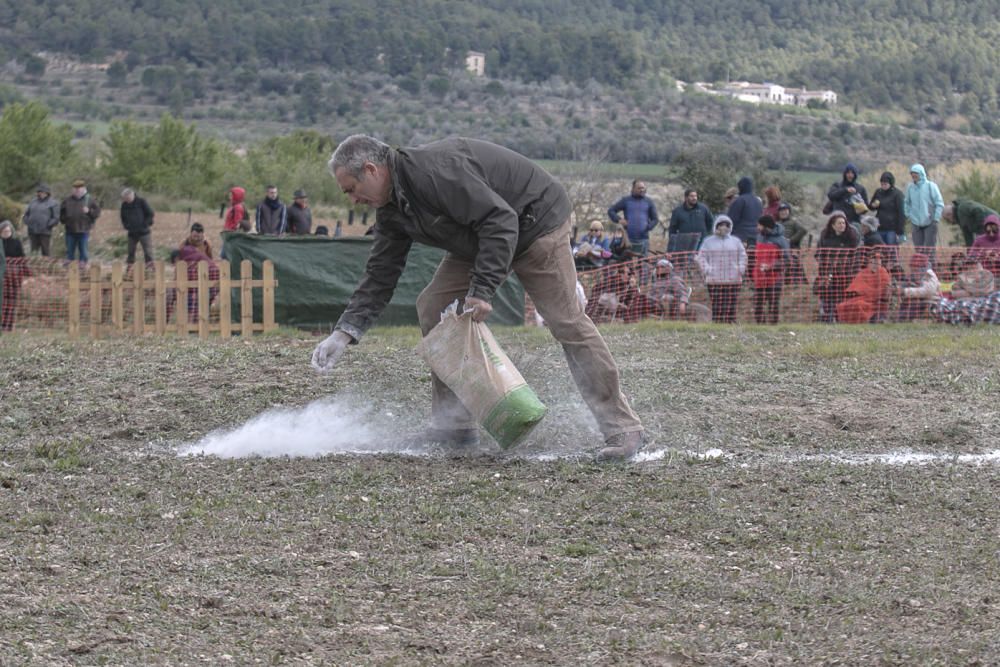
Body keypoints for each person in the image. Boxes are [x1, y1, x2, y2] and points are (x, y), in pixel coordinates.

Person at [311, 135, 645, 460]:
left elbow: (501, 219)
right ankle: (453, 425)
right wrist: (345, 332)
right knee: (434, 307)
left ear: (371, 170)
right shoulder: (391, 210)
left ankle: (622, 427)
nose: (352, 200)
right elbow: (380, 274)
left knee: (566, 321)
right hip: (482, 236)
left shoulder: (435, 173)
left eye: (351, 190)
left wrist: (482, 289)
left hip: (535, 223)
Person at [696, 215, 747, 323]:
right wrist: (707, 270)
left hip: (733, 278)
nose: (723, 228)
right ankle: (717, 322)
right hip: (714, 279)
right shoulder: (708, 241)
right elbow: (701, 257)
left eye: (726, 225)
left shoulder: (736, 241)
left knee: (731, 302)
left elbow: (743, 256)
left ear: (730, 227)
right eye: (721, 225)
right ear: (716, 226)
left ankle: (731, 321)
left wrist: (740, 269)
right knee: (717, 302)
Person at [814, 211, 859, 322]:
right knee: (826, 295)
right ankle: (826, 318)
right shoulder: (825, 235)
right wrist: (823, 264)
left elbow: (855, 255)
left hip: (845, 273)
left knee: (841, 296)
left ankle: (840, 318)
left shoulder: (851, 235)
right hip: (827, 271)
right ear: (833, 225)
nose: (842, 225)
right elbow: (819, 253)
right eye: (839, 223)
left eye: (843, 223)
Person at [642, 258, 711, 322]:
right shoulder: (655, 283)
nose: (659, 269)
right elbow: (649, 295)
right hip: (654, 303)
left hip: (668, 304)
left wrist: (683, 303)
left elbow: (683, 293)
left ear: (669, 269)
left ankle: (667, 322)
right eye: (657, 267)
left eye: (662, 267)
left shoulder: (675, 280)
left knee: (666, 298)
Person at [751, 215, 791, 324]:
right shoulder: (759, 237)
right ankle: (760, 326)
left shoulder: (781, 241)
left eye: (759, 225)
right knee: (758, 304)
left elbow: (787, 260)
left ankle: (773, 327)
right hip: (759, 278)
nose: (757, 227)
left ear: (766, 226)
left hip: (775, 279)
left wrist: (772, 266)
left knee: (773, 304)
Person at [836, 248, 892, 324]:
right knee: (844, 305)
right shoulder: (864, 272)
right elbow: (856, 287)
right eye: (873, 261)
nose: (875, 263)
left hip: (876, 301)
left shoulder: (883, 272)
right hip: (863, 298)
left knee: (859, 304)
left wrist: (872, 292)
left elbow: (884, 291)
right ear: (869, 262)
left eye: (878, 261)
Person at [903, 164, 944, 262]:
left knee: (929, 250)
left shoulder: (931, 186)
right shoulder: (910, 188)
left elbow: (939, 203)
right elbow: (906, 203)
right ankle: (920, 273)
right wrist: (908, 215)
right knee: (918, 251)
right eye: (912, 173)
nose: (914, 175)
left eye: (916, 173)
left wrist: (936, 218)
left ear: (921, 173)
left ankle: (931, 272)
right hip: (915, 223)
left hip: (930, 222)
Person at [607, 180, 658, 257]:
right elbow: (611, 211)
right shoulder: (626, 200)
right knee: (627, 263)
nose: (642, 190)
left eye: (643, 188)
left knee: (642, 264)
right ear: (633, 189)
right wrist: (619, 219)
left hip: (643, 239)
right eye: (639, 188)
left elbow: (655, 219)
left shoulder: (649, 202)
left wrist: (648, 227)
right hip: (628, 239)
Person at [667, 189, 713, 266]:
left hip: (701, 243)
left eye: (695, 196)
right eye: (692, 196)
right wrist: (672, 245)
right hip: (685, 244)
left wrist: (706, 234)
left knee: (701, 265)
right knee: (685, 266)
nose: (694, 198)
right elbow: (672, 229)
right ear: (686, 198)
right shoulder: (677, 211)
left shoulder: (703, 208)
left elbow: (710, 222)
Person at [59, 179, 100, 262]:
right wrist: (64, 220)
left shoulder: (90, 200)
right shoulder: (67, 200)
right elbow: (61, 213)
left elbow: (97, 213)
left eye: (79, 188)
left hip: (83, 230)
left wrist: (89, 211)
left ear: (84, 188)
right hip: (70, 230)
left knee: (83, 252)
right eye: (75, 188)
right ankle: (70, 269)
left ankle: (83, 269)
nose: (77, 190)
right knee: (69, 252)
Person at [1, 220, 29, 332]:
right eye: (4, 231)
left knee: (12, 302)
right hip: (2, 276)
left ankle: (9, 325)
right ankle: (2, 324)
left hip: (14, 276)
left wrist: (26, 271)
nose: (7, 233)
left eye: (8, 231)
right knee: (2, 301)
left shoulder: (16, 242)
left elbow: (22, 258)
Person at [895, 252, 941, 321]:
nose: (913, 270)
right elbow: (905, 284)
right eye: (912, 267)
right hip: (917, 301)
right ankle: (899, 317)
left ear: (922, 267)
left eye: (915, 268)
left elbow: (928, 291)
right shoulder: (912, 276)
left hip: (930, 302)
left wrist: (905, 291)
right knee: (906, 304)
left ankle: (903, 318)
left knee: (915, 306)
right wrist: (897, 289)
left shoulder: (929, 275)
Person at [119, 188, 155, 266]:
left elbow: (150, 214)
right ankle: (130, 268)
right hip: (132, 232)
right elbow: (122, 217)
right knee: (130, 251)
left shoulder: (141, 201)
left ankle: (150, 268)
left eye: (127, 198)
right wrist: (126, 226)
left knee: (148, 251)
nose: (126, 200)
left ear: (132, 195)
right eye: (125, 199)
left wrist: (145, 224)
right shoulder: (124, 205)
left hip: (144, 232)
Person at [21, 183, 59, 256]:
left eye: (42, 192)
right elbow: (26, 214)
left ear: (47, 193)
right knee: (33, 252)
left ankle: (45, 266)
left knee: (45, 252)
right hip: (32, 231)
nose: (40, 193)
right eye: (39, 192)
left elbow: (56, 218)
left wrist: (47, 225)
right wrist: (28, 222)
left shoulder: (53, 203)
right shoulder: (33, 202)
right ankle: (33, 266)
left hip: (45, 232)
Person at [867, 171, 904, 246]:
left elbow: (901, 213)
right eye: (882, 184)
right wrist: (873, 205)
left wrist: (900, 231)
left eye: (885, 184)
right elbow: (870, 206)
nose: (883, 186)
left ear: (890, 183)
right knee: (880, 249)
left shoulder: (897, 194)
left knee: (891, 250)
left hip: (892, 229)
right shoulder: (878, 192)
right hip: (879, 226)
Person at [777, 202, 808, 284]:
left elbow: (803, 230)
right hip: (779, 250)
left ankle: (798, 283)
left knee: (794, 264)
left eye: (785, 210)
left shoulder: (793, 222)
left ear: (789, 211)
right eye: (781, 211)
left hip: (791, 249)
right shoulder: (777, 224)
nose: (783, 212)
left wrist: (791, 240)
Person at [726, 176, 763, 244]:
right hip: (756, 236)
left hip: (740, 237)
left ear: (740, 187)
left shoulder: (739, 200)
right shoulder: (758, 201)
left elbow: (731, 220)